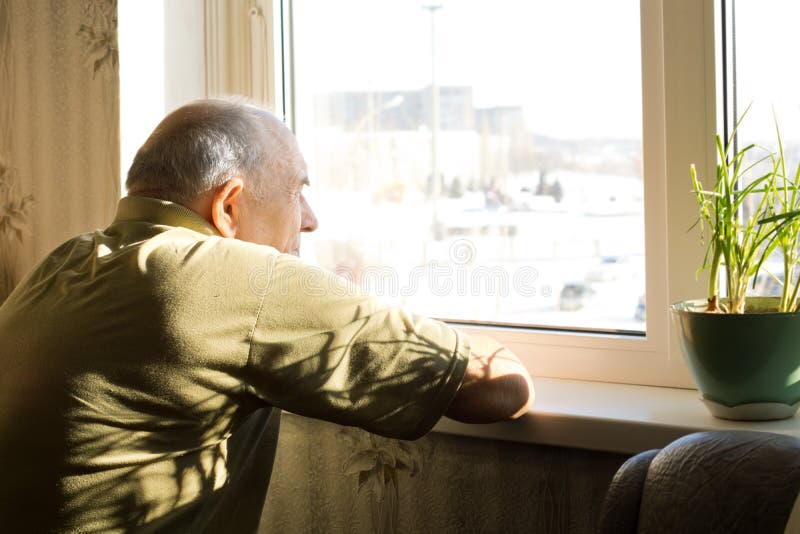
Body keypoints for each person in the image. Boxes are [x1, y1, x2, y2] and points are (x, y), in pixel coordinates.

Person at [0, 99, 534, 533]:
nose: (311, 220)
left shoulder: (66, 260)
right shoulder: (233, 279)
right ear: (229, 207)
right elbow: (496, 387)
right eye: (298, 191)